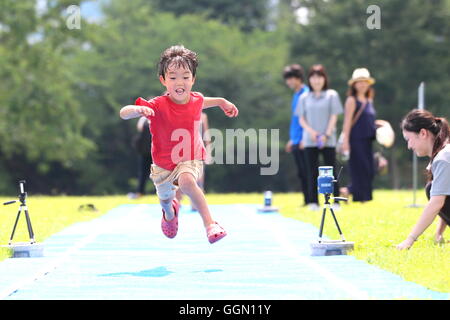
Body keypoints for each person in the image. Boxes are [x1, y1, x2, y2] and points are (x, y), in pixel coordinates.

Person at [119, 45, 239, 244]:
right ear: (163, 81)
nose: (179, 82)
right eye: (173, 77)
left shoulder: (196, 99)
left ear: (193, 79)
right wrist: (136, 109)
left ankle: (211, 224)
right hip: (162, 165)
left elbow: (206, 101)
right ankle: (169, 213)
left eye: (185, 76)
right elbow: (124, 113)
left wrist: (223, 102)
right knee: (166, 200)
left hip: (189, 158)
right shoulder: (157, 104)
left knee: (186, 182)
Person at [397, 109, 449, 250]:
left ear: (423, 133)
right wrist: (439, 233)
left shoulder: (443, 158)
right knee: (431, 188)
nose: (409, 146)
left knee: (431, 190)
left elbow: (436, 203)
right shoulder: (444, 153)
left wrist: (409, 240)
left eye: (409, 139)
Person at [295, 64, 343, 210]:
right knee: (312, 171)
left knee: (331, 171)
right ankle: (313, 202)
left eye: (319, 77)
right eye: (313, 77)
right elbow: (301, 119)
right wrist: (312, 133)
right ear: (309, 79)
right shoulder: (304, 97)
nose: (316, 81)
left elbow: (334, 116)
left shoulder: (332, 95)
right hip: (310, 140)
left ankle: (335, 201)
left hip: (328, 139)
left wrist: (327, 133)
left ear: (324, 79)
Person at [340, 68, 377, 202]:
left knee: (370, 169)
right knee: (359, 169)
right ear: (354, 84)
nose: (362, 84)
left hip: (368, 140)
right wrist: (345, 142)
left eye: (364, 82)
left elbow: (369, 120)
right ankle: (359, 197)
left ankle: (350, 191)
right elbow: (347, 122)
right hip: (355, 140)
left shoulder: (369, 100)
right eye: (359, 82)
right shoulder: (351, 100)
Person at [283, 64, 312, 206]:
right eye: (287, 79)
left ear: (299, 78)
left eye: (291, 78)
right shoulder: (296, 95)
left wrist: (304, 138)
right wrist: (292, 139)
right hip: (296, 139)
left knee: (308, 171)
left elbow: (308, 118)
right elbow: (295, 119)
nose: (289, 82)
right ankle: (307, 200)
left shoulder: (306, 93)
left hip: (305, 140)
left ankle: (312, 200)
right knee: (301, 172)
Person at [175, 111, 211, 211]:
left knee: (199, 178)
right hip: (181, 148)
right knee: (178, 176)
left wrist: (209, 151)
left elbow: (206, 134)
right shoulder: (182, 113)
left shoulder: (203, 116)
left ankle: (195, 204)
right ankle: (177, 202)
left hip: (197, 148)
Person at [128, 116, 152, 199]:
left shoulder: (143, 119)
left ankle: (140, 192)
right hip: (154, 150)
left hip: (145, 150)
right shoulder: (160, 116)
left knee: (143, 173)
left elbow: (139, 128)